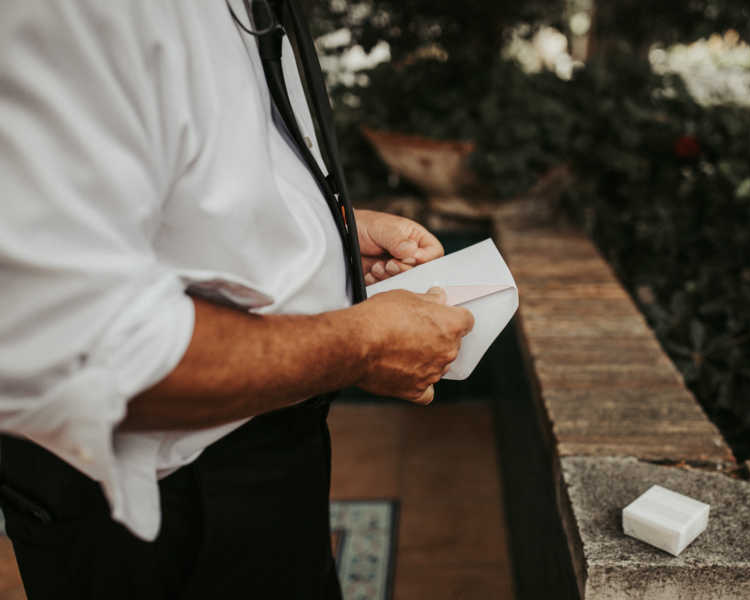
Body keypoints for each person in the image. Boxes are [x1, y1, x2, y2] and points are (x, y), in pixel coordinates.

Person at [0, 1, 474, 598]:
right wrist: (364, 345)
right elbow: (87, 347)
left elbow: (195, 175)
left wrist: (329, 238)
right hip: (153, 501)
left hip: (272, 450)